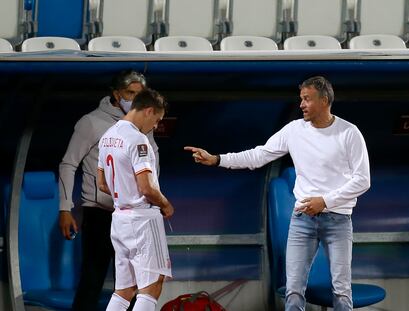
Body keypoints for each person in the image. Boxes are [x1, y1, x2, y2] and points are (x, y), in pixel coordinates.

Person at [184, 76, 370, 311]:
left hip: (338, 220)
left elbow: (363, 180)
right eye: (300, 99)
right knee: (293, 290)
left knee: (342, 292)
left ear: (324, 101)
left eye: (307, 99)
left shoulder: (349, 133)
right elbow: (258, 155)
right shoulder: (294, 130)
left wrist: (324, 201)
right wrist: (217, 159)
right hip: (302, 219)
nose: (301, 104)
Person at [59, 70, 157, 311]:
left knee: (136, 283)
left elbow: (151, 164)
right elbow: (69, 163)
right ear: (116, 94)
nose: (134, 99)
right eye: (129, 93)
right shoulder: (91, 122)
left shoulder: (144, 123)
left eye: (140, 94)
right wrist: (65, 208)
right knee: (93, 279)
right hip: (100, 213)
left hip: (134, 215)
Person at [97, 88, 173, 311]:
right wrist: (166, 204)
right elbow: (147, 188)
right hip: (142, 219)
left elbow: (101, 184)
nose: (156, 126)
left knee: (124, 290)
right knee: (152, 285)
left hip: (119, 218)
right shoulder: (138, 140)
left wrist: (124, 193)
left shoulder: (107, 136)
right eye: (157, 120)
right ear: (149, 111)